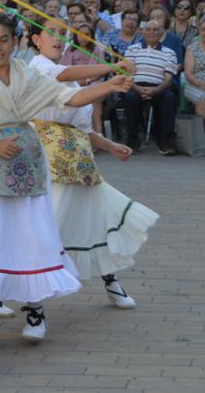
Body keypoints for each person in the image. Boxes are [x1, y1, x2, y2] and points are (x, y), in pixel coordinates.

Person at [0, 12, 131, 351]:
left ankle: (35, 310)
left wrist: (109, 84)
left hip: (25, 162)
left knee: (28, 234)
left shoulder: (27, 74)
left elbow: (68, 97)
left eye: (4, 40)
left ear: (15, 42)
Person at [27, 25, 157, 310]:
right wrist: (111, 68)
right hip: (48, 160)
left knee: (96, 222)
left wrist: (111, 146)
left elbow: (83, 127)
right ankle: (29, 298)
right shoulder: (38, 67)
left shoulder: (72, 81)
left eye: (61, 34)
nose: (58, 39)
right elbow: (64, 75)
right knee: (50, 226)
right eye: (51, 33)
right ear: (36, 40)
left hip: (80, 162)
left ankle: (111, 281)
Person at [123, 21, 181, 154]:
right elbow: (125, 74)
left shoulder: (169, 52)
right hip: (135, 86)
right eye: (148, 29)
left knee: (169, 98)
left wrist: (156, 90)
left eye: (155, 29)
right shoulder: (132, 49)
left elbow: (169, 79)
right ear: (142, 32)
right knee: (130, 97)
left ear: (162, 33)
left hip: (159, 87)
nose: (151, 32)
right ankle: (132, 141)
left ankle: (166, 142)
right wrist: (137, 88)